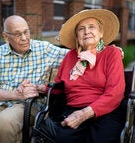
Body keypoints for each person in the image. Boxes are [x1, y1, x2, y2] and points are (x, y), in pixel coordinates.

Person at [0, 15, 69, 143]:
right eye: (17, 34)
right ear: (5, 36)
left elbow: (73, 56)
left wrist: (93, 48)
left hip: (28, 105)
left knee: (2, 123)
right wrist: (15, 94)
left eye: (26, 32)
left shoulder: (44, 49)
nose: (24, 38)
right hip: (0, 102)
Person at [35, 9, 126, 143]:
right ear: (77, 36)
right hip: (72, 110)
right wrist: (42, 88)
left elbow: (115, 93)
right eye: (81, 29)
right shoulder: (70, 56)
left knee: (100, 139)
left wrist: (85, 113)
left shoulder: (112, 53)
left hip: (106, 111)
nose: (87, 31)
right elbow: (60, 88)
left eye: (92, 27)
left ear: (101, 33)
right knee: (60, 138)